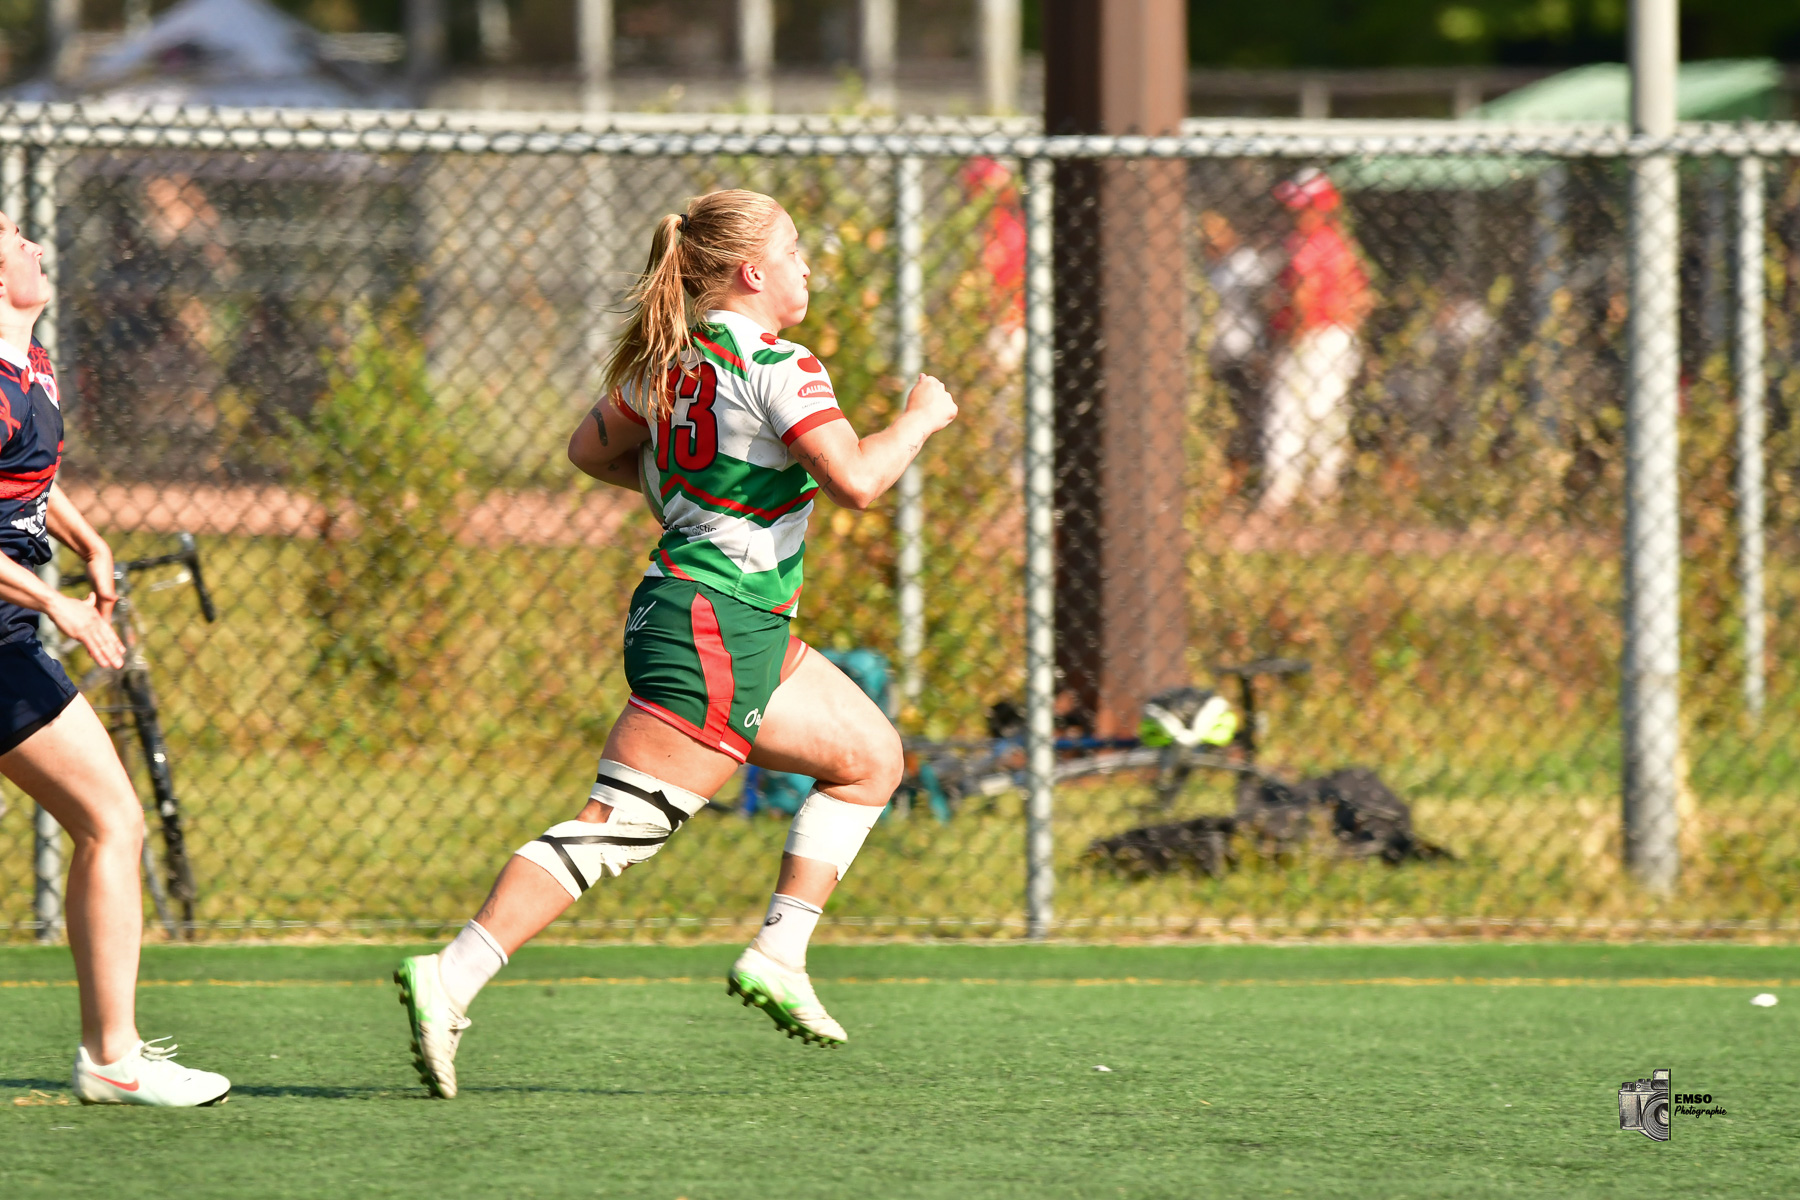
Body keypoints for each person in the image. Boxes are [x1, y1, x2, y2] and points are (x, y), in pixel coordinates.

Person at [394, 189, 958, 1098]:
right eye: (795, 251)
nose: (807, 267)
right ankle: (451, 974)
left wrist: (687, 497)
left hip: (724, 616)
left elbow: (589, 449)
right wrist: (922, 416)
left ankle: (779, 953)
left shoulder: (670, 364)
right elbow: (856, 480)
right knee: (624, 825)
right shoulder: (785, 365)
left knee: (869, 757)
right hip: (715, 622)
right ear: (752, 273)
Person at [0, 211, 230, 1107]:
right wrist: (53, 600)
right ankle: (111, 1059)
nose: (36, 248)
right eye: (16, 240)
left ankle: (113, 1055)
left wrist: (87, 542)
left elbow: (30, 482)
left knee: (109, 821)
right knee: (112, 821)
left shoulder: (35, 363)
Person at [1261, 169, 1372, 513]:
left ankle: (1282, 493)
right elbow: (1363, 298)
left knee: (1288, 413)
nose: (1294, 215)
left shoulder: (1306, 243)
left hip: (1309, 337)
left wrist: (1292, 336)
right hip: (1337, 336)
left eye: (1302, 207)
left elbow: (1302, 294)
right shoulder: (1339, 243)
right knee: (1326, 412)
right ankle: (1321, 489)